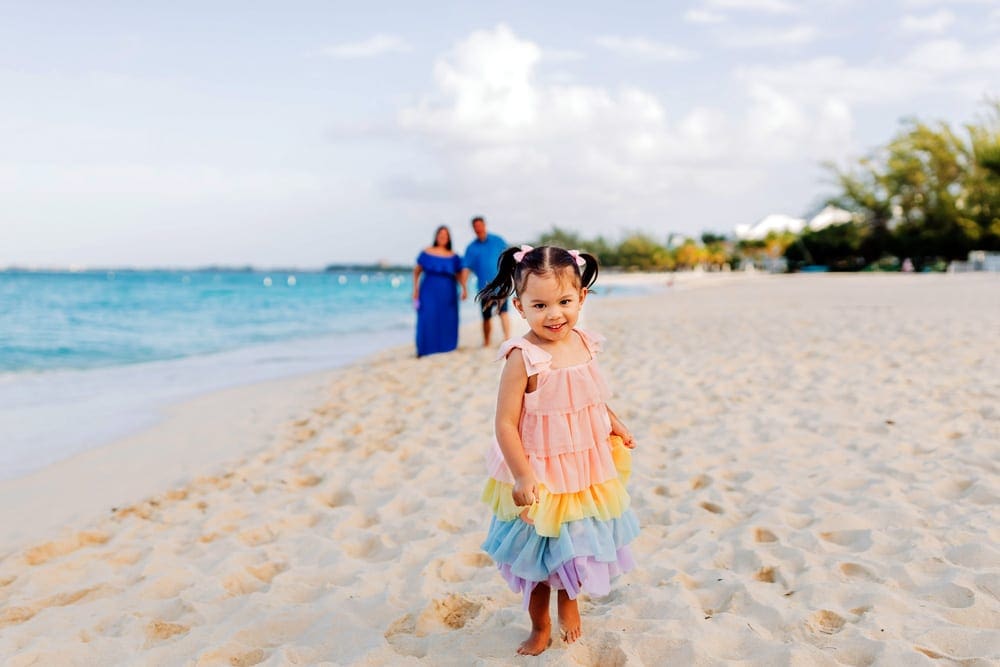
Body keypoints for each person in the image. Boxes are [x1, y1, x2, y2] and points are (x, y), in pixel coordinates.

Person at [477, 244, 639, 655]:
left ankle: (569, 609)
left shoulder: (584, 343)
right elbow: (504, 424)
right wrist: (522, 474)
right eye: (540, 305)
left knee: (576, 549)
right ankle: (540, 624)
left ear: (582, 298)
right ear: (519, 306)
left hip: (583, 466)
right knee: (539, 558)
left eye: (565, 302)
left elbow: (592, 397)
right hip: (541, 471)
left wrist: (614, 422)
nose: (555, 314)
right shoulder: (523, 358)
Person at [413, 225, 467, 357]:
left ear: (449, 238)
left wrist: (464, 288)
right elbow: (417, 271)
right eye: (440, 234)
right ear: (436, 236)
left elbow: (459, 274)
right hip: (428, 290)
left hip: (448, 292)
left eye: (445, 235)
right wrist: (415, 289)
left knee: (448, 319)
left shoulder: (453, 256)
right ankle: (425, 349)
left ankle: (447, 347)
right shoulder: (426, 252)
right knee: (427, 317)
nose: (443, 237)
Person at [462, 216, 511, 346]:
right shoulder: (471, 248)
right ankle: (487, 341)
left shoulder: (498, 241)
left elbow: (509, 258)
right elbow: (466, 268)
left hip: (501, 286)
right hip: (484, 289)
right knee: (486, 317)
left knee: (504, 312)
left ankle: (507, 338)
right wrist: (464, 287)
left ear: (484, 225)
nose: (478, 228)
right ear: (473, 228)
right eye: (475, 226)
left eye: (480, 225)